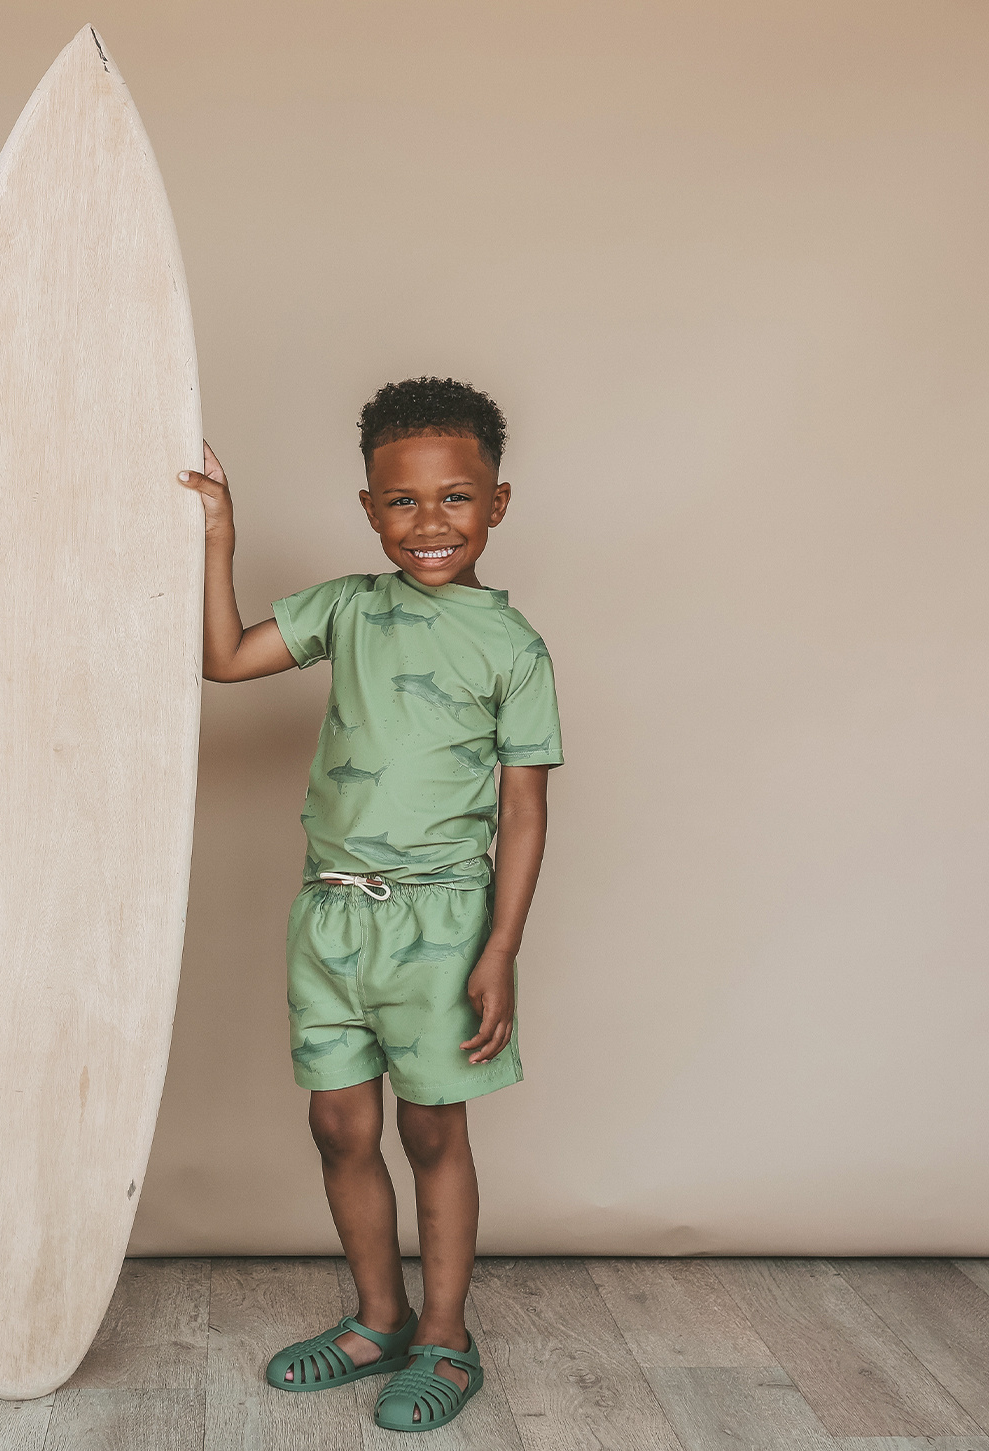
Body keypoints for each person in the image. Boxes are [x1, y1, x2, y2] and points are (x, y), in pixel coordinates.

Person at [178, 376, 562, 1432]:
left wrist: (499, 947)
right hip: (330, 916)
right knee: (339, 1124)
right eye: (401, 500)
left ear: (496, 502)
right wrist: (220, 531)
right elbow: (222, 659)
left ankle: (445, 1336)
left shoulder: (514, 647)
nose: (428, 521)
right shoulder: (346, 607)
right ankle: (378, 1317)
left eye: (455, 497)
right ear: (368, 508)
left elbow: (522, 811)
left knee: (432, 1132)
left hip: (441, 923)